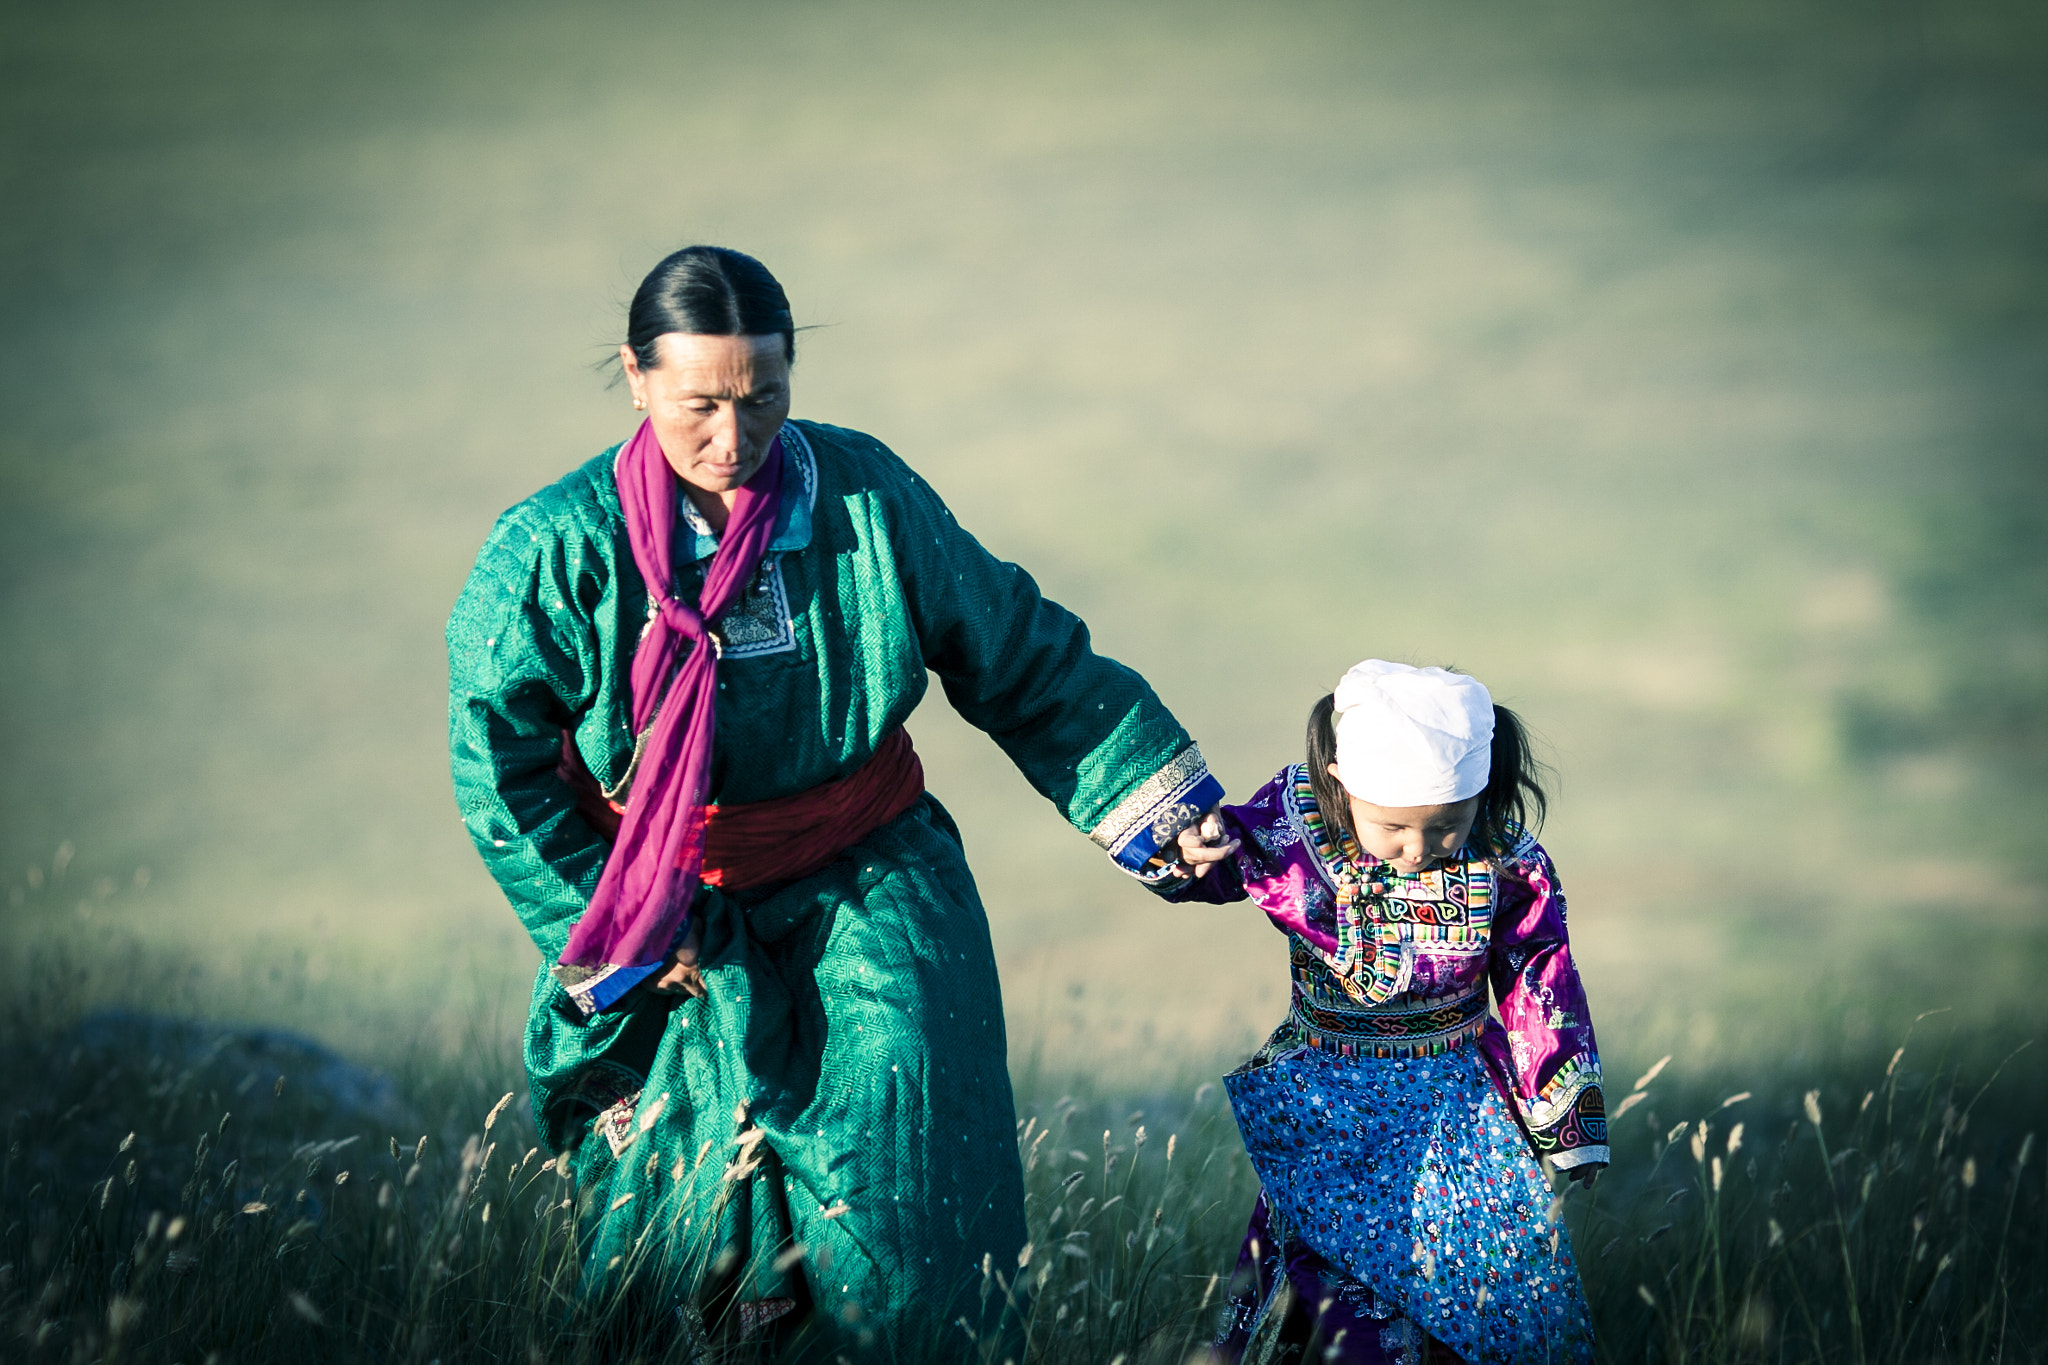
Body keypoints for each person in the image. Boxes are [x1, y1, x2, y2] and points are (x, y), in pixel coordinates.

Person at [445, 246, 1227, 1355]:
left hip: (870, 878)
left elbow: (1018, 655)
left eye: (762, 399)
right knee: (679, 1238)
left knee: (908, 1216)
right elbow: (496, 763)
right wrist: (615, 924)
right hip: (660, 914)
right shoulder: (553, 548)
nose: (732, 438)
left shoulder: (862, 495)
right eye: (698, 405)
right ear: (634, 376)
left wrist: (1161, 812)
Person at [1165, 660, 1605, 1364]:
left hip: (1461, 1116)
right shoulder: (1296, 821)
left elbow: (1537, 981)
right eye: (1394, 826)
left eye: (1446, 827)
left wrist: (1565, 1122)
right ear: (1340, 780)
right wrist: (1196, 844)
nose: (1418, 848)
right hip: (1324, 1105)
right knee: (1339, 1291)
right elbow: (1228, 860)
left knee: (1482, 1294)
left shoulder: (1506, 861)